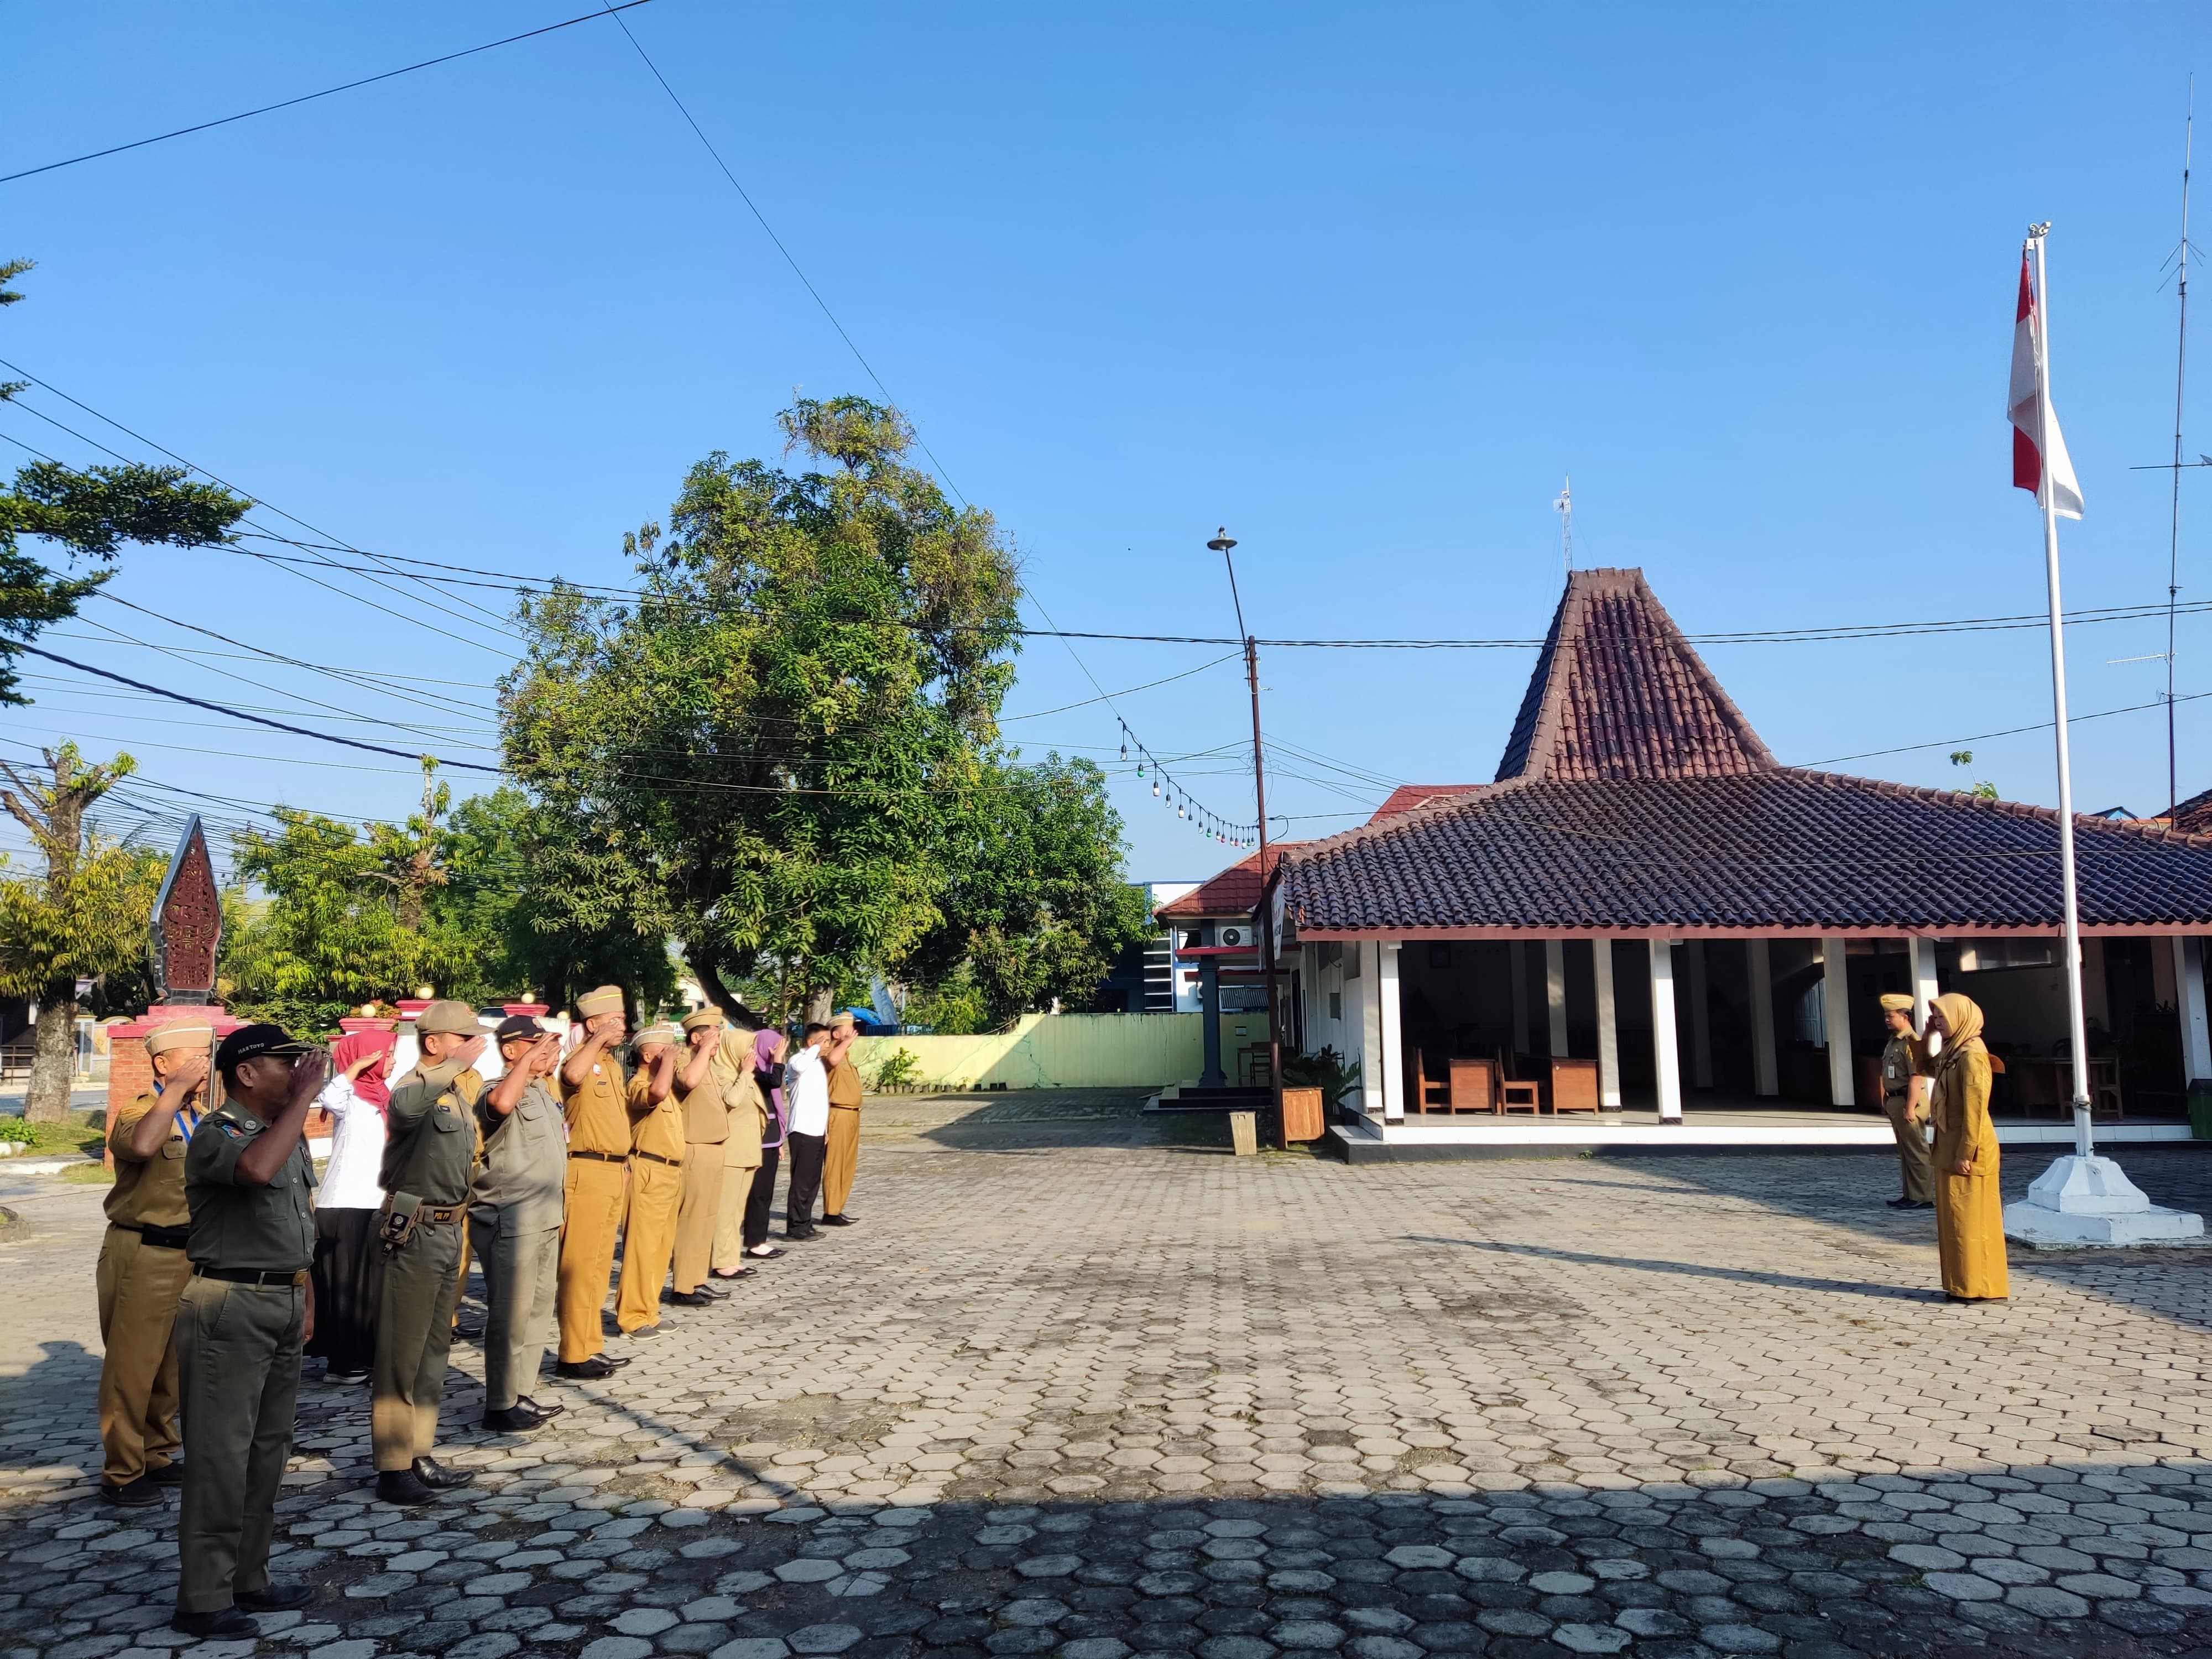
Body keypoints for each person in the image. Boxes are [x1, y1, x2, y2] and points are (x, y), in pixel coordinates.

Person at [171, 1023, 324, 1638]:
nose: (298, 1073)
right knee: (221, 1454)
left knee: (267, 1451)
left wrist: (305, 1295)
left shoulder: (285, 1134)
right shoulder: (219, 1132)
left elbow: (299, 1225)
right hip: (229, 1303)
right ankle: (203, 1597)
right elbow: (257, 1173)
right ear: (246, 1073)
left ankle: (249, 1578)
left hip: (281, 1299)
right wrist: (306, 1097)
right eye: (285, 1064)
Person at [370, 1000, 485, 1505]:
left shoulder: (457, 1094)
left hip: (449, 1228)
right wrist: (455, 1064)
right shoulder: (413, 1086)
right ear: (434, 1042)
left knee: (433, 1351)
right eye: (463, 1038)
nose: (473, 1046)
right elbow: (404, 1110)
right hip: (413, 1229)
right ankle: (393, 1465)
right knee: (402, 1353)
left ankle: (419, 1452)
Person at [98, 1020, 212, 1507]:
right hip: (143, 1251)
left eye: (207, 1057)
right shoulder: (138, 1110)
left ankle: (157, 1452)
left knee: (172, 1366)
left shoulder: (204, 1117)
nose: (204, 1066)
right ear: (163, 1064)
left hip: (191, 1253)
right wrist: (176, 1090)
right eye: (193, 1057)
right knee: (132, 1367)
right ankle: (122, 1471)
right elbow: (142, 1146)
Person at [469, 1016, 570, 1432]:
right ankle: (499, 1403)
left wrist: (540, 1063)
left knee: (538, 1309)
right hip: (511, 1215)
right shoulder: (494, 1089)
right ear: (511, 1050)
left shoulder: (543, 1092)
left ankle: (520, 1393)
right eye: (535, 1044)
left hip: (546, 1215)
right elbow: (500, 1107)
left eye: (548, 1044)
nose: (547, 1051)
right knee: (510, 1313)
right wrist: (528, 1063)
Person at [555, 985, 634, 1379]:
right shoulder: (580, 1060)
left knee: (600, 1265)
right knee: (580, 1265)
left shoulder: (612, 1066)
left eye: (622, 1019)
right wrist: (597, 1040)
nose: (622, 1026)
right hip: (585, 1170)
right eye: (613, 1020)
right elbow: (571, 1075)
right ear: (591, 1025)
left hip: (613, 1171)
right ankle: (572, 1353)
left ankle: (590, 1346)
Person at [307, 1029, 394, 1381]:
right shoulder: (350, 1098)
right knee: (346, 1287)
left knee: (368, 1288)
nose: (391, 1062)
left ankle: (364, 1354)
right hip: (345, 1204)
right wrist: (354, 1069)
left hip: (374, 1202)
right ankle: (343, 1363)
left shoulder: (383, 1097)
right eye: (386, 1055)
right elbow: (328, 1097)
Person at [1926, 993, 2009, 1303]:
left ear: (1961, 1018)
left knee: (1971, 1222)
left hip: (1968, 1151)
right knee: (1954, 1220)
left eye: (1943, 1017)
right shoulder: (1953, 1050)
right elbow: (1922, 1066)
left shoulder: (1972, 1055)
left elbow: (1975, 1110)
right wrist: (1928, 1035)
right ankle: (1960, 1284)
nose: (1938, 1021)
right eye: (1936, 1016)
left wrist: (1966, 1153)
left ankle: (1979, 1287)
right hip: (1949, 1146)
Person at [614, 1022, 695, 1337]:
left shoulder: (667, 1085)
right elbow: (656, 1093)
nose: (673, 1054)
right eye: (665, 1050)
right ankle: (632, 1317)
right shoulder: (638, 1084)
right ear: (647, 1056)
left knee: (661, 1248)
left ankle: (649, 1310)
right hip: (648, 1170)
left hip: (670, 1173)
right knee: (642, 1248)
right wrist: (670, 1063)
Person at [669, 1008, 732, 1306]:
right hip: (695, 1148)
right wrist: (705, 1050)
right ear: (696, 1038)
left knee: (706, 1219)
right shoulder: (684, 1059)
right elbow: (689, 1082)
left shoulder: (708, 1064)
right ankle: (683, 1286)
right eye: (713, 1037)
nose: (718, 1043)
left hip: (714, 1148)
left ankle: (697, 1279)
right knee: (691, 1220)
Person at [711, 1027, 767, 1280]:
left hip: (747, 1152)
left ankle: (731, 1258)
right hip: (730, 1153)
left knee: (737, 1211)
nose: (752, 1053)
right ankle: (721, 1261)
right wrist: (745, 1073)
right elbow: (731, 1101)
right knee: (725, 1211)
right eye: (748, 1047)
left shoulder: (744, 1075)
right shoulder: (721, 1074)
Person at [1876, 994, 1934, 1212]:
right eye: (1886, 1016)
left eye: (1890, 1016)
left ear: (1905, 1017)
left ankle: (1923, 1197)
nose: (1887, 1020)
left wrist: (1910, 1107)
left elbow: (1917, 1077)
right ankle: (1910, 1194)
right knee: (1906, 1152)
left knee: (1917, 1152)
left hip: (1909, 1102)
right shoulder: (1895, 1041)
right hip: (1896, 1101)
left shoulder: (1911, 1042)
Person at [739, 1028, 789, 1262]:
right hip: (756, 1138)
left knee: (764, 1192)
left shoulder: (765, 1069)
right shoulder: (752, 1069)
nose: (777, 1052)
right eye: (775, 1047)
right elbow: (775, 1082)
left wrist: (779, 1141)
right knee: (757, 1193)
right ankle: (755, 1242)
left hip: (770, 1139)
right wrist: (778, 1061)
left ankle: (758, 1239)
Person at [782, 1023, 833, 1241]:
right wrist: (815, 1048)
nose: (828, 1045)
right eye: (824, 1041)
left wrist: (825, 1130)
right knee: (801, 1182)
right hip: (801, 1130)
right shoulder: (798, 1060)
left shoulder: (818, 1064)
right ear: (811, 1042)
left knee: (812, 1181)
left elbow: (820, 1101)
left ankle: (805, 1222)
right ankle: (795, 1227)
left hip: (816, 1130)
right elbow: (798, 1068)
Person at [819, 1014, 864, 1227]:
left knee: (847, 1164)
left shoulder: (846, 1055)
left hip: (853, 1114)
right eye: (848, 1030)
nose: (853, 1033)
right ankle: (831, 1211)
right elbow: (832, 1061)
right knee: (835, 1164)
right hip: (838, 1113)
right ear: (836, 1034)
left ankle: (838, 1208)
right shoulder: (830, 1052)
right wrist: (844, 1043)